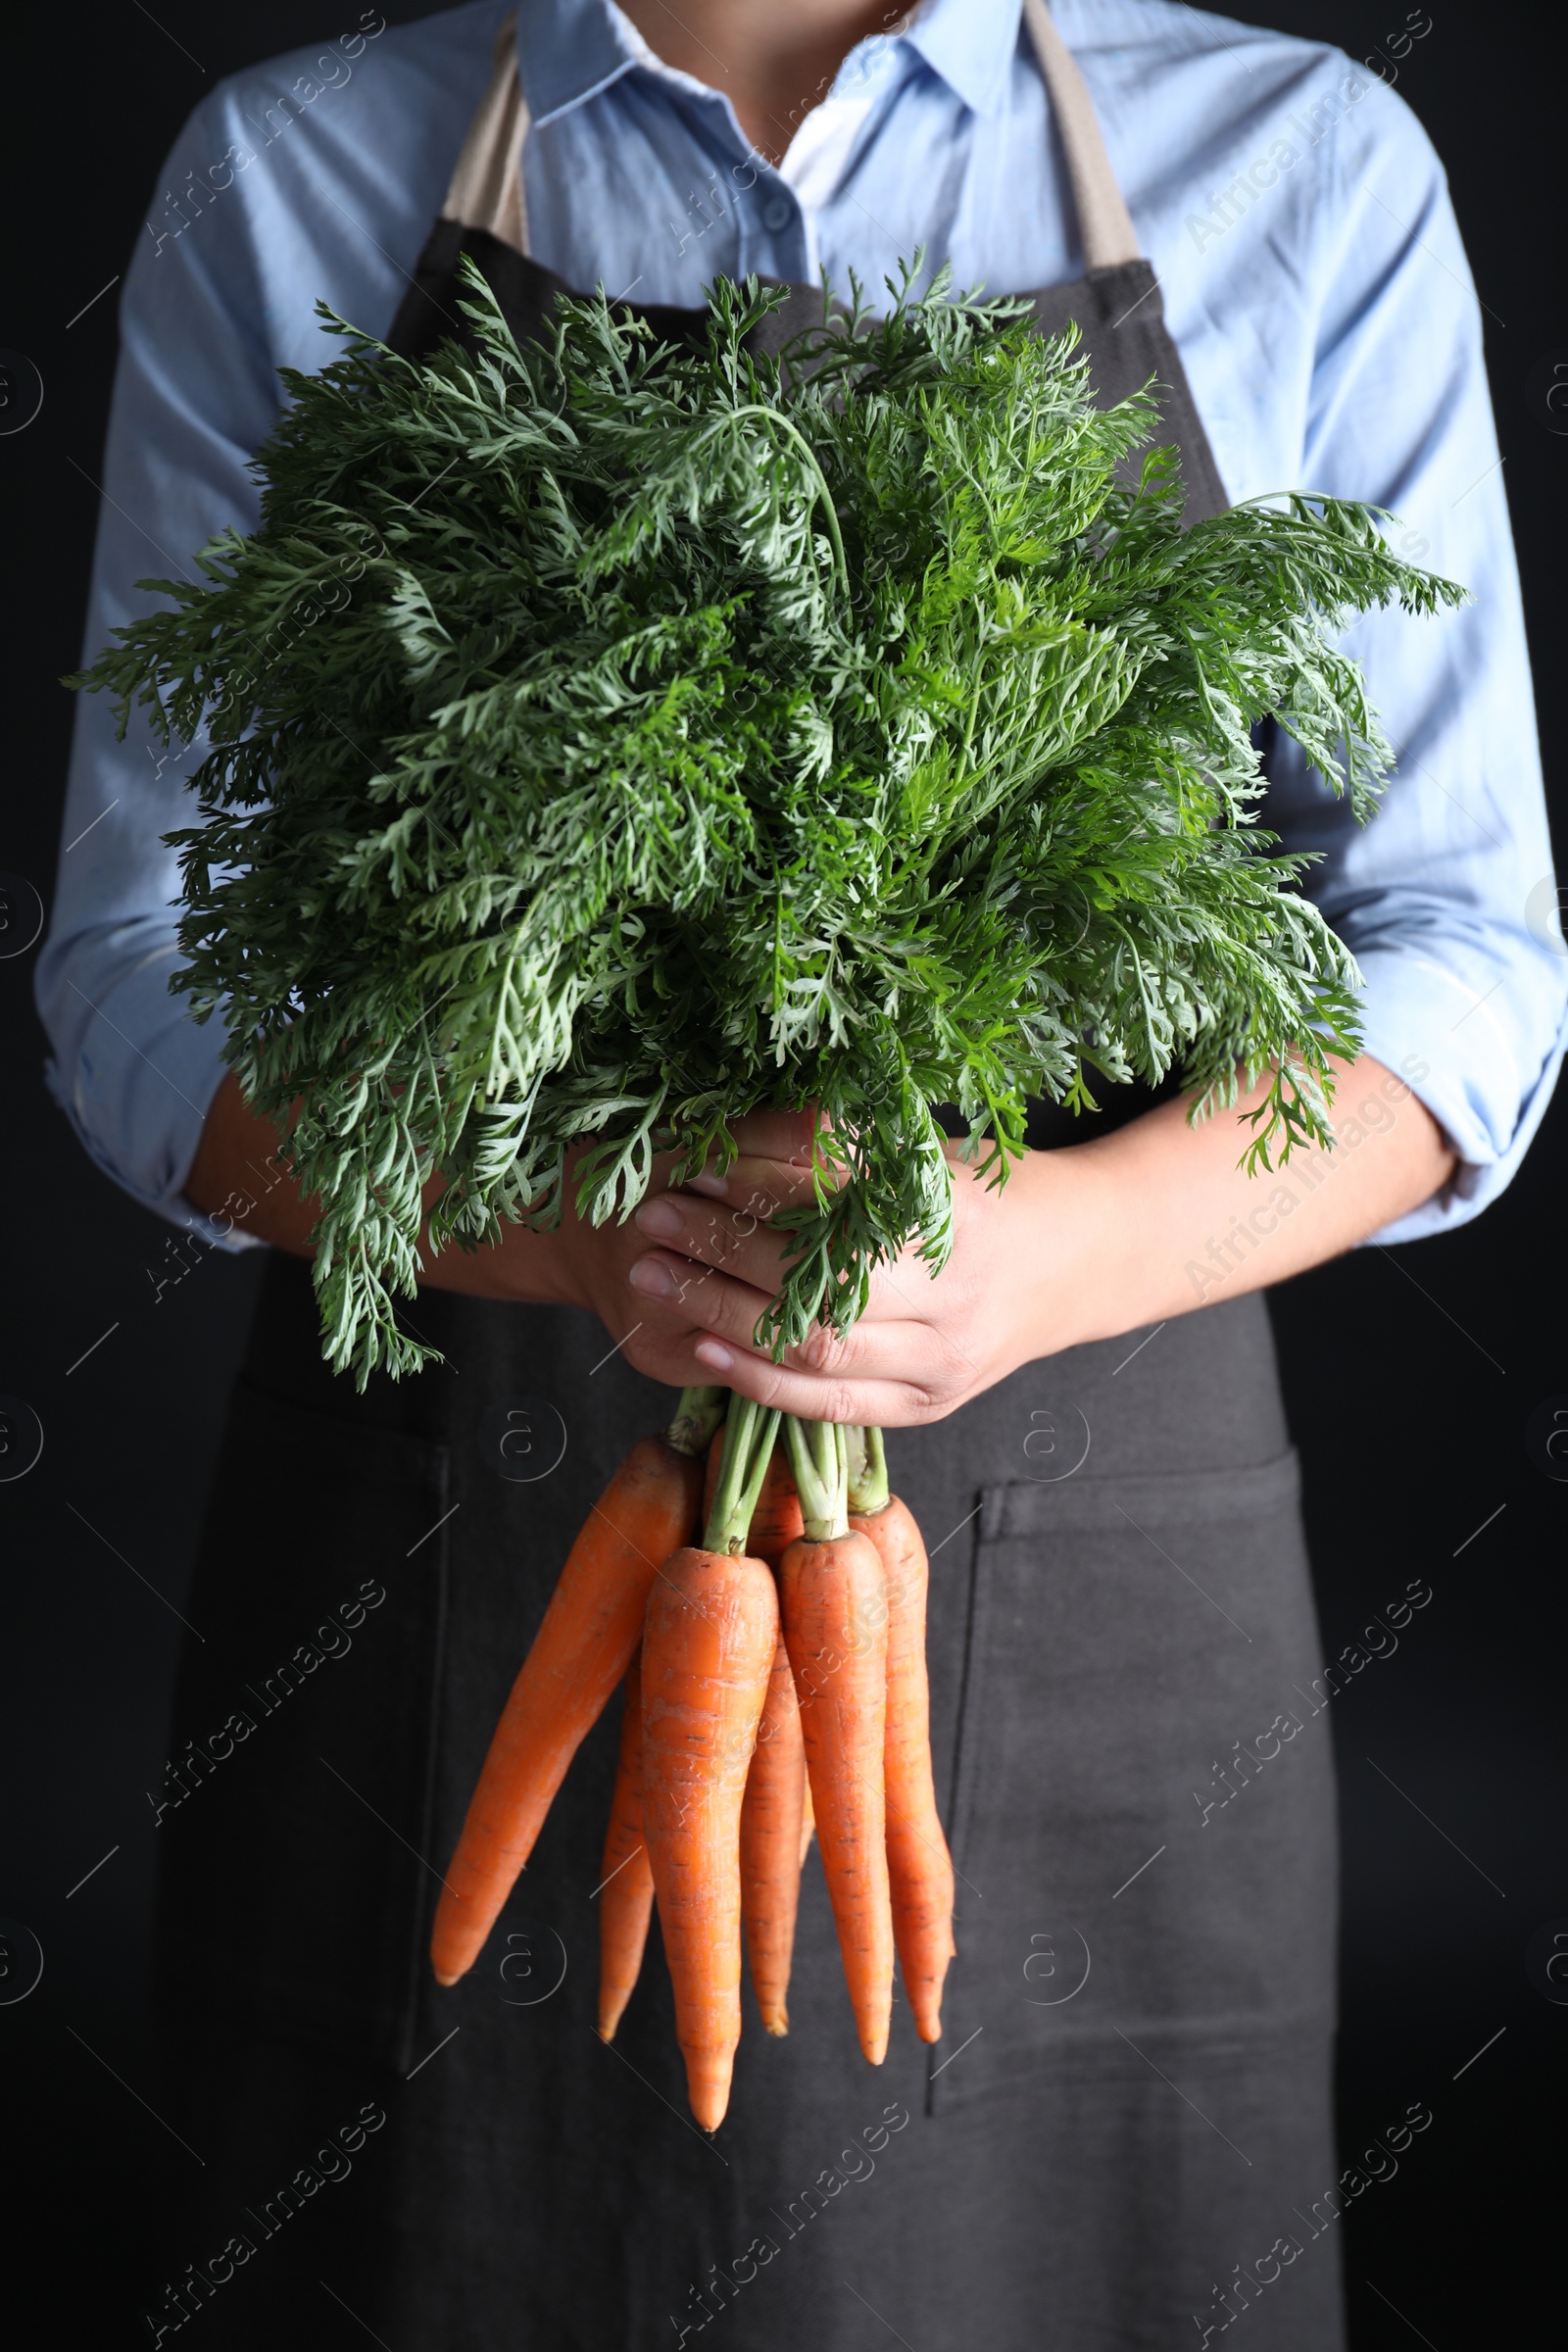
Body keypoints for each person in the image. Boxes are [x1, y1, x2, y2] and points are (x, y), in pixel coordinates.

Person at [39, 2, 1561, 2346]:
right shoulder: (295, 171)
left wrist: (1043, 1252)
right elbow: (142, 973)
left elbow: (1465, 969)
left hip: (1100, 1535)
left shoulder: (1296, 158)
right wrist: (571, 1223)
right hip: (455, 1533)